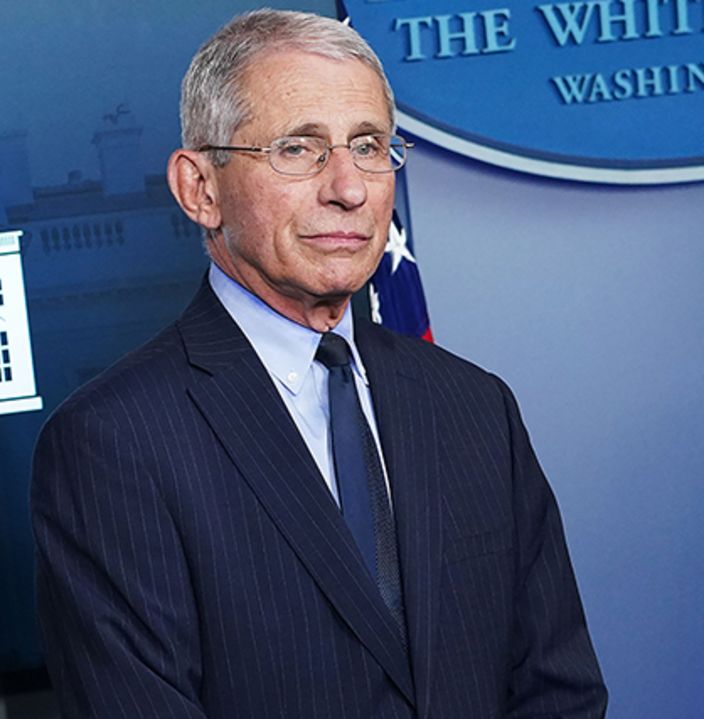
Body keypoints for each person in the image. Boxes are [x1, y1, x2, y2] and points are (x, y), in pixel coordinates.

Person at [30, 9, 606, 718]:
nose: (350, 187)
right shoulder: (114, 443)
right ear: (199, 189)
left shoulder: (474, 405)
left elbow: (561, 690)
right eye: (298, 149)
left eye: (368, 145)